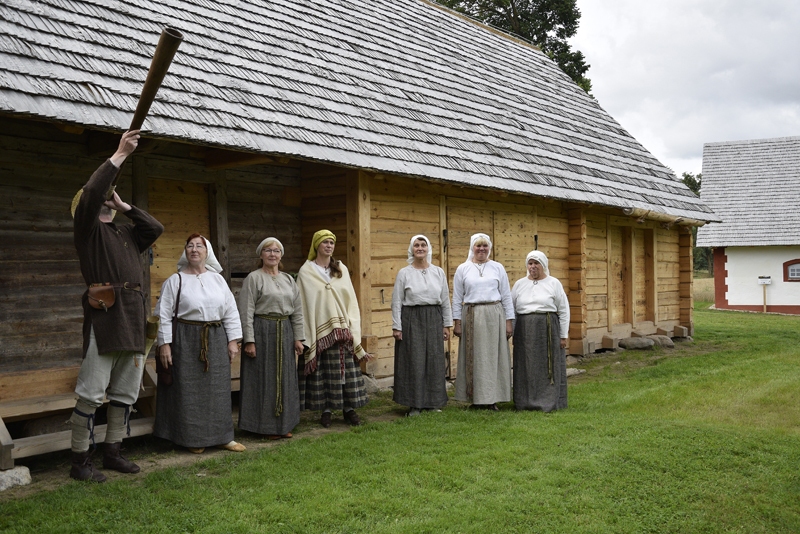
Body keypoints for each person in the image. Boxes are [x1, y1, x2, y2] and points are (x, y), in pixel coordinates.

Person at [68, 129, 164, 482]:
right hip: (105, 317)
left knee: (125, 392)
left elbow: (155, 228)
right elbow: (92, 192)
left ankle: (113, 452)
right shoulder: (87, 233)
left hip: (133, 318)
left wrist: (125, 208)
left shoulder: (126, 233)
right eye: (102, 200)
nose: (105, 201)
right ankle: (80, 461)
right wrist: (120, 154)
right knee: (92, 393)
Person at [153, 234, 245, 454]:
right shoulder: (175, 280)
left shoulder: (218, 280)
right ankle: (192, 438)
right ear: (185, 251)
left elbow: (230, 311)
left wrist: (233, 340)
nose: (194, 249)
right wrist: (164, 344)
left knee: (218, 389)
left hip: (216, 337)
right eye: (190, 246)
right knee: (188, 389)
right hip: (185, 338)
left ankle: (223, 437)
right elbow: (162, 314)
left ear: (207, 252)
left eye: (199, 246)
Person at [296, 230, 373, 427]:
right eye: (325, 242)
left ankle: (349, 409)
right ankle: (326, 410)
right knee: (323, 373)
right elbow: (303, 303)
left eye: (331, 242)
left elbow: (350, 298)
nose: (329, 246)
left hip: (342, 329)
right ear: (317, 245)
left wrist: (352, 326)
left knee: (346, 371)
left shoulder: (340, 268)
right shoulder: (306, 271)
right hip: (320, 331)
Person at [237, 237, 305, 439]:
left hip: (285, 330)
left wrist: (298, 338)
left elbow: (297, 311)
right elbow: (246, 311)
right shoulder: (254, 278)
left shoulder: (288, 279)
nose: (272, 254)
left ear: (281, 255)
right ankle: (264, 426)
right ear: (261, 254)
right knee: (263, 378)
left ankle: (284, 424)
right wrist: (249, 340)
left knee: (285, 378)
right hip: (262, 331)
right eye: (268, 250)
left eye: (276, 251)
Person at [391, 235, 452, 416]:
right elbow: (396, 301)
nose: (420, 248)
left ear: (428, 248)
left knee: (434, 359)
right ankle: (415, 404)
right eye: (416, 245)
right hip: (412, 318)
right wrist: (397, 326)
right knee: (414, 360)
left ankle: (433, 402)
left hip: (434, 317)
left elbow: (445, 300)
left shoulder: (438, 272)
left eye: (423, 245)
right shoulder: (404, 273)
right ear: (412, 249)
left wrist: (447, 324)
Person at [452, 233, 514, 411]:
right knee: (475, 357)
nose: (481, 249)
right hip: (471, 315)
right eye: (478, 246)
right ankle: (475, 398)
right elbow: (457, 298)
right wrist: (457, 322)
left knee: (493, 357)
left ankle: (492, 398)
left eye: (485, 246)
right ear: (472, 247)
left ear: (490, 248)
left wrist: (509, 321)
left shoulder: (497, 268)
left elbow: (506, 296)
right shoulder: (463, 269)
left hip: (494, 315)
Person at [511, 250, 570, 412]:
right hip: (524, 329)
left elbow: (564, 310)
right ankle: (524, 401)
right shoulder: (519, 284)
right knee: (525, 364)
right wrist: (513, 332)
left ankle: (548, 401)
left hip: (548, 327)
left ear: (543, 265)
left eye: (536, 263)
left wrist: (563, 335)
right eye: (530, 263)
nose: (533, 266)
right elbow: (512, 310)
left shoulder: (554, 283)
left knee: (548, 364)